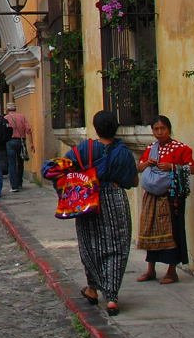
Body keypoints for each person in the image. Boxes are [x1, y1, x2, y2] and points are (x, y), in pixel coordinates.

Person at [49, 109, 137, 316]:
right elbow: (132, 181)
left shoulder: (83, 150)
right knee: (117, 245)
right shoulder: (123, 153)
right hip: (115, 199)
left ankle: (93, 288)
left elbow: (60, 169)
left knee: (90, 244)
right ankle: (112, 297)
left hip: (88, 201)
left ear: (96, 128)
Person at [135, 115, 194, 285]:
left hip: (171, 198)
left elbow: (193, 169)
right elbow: (139, 167)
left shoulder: (181, 148)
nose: (160, 132)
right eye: (156, 129)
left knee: (173, 231)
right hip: (152, 197)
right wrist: (148, 163)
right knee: (150, 230)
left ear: (169, 129)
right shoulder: (150, 148)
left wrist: (172, 167)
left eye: (163, 128)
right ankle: (151, 269)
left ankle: (172, 271)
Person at [3, 102, 34, 192]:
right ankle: (20, 182)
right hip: (21, 141)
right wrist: (31, 143)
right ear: (15, 109)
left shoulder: (5, 118)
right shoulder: (22, 117)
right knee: (20, 162)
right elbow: (29, 130)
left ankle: (14, 186)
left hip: (10, 142)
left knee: (12, 163)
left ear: (7, 109)